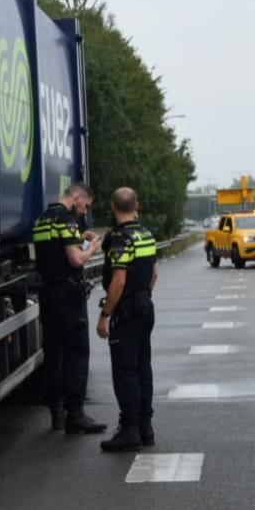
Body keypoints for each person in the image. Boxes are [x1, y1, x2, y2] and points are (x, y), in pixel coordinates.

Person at [33, 182, 106, 433]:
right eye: (85, 205)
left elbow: (54, 248)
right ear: (76, 198)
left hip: (48, 294)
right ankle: (76, 414)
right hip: (68, 295)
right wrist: (93, 247)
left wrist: (78, 237)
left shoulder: (42, 219)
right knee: (76, 353)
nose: (85, 211)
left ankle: (57, 411)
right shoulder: (67, 220)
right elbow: (75, 258)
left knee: (53, 353)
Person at [97, 187, 159, 451]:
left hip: (127, 313)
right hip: (145, 307)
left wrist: (106, 314)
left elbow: (119, 280)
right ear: (138, 206)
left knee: (125, 372)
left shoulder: (120, 239)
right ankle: (145, 427)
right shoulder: (146, 234)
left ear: (113, 207)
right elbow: (154, 274)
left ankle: (129, 430)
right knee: (143, 368)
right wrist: (142, 297)